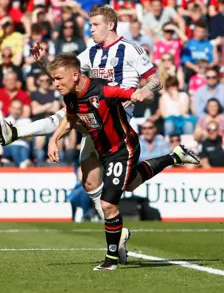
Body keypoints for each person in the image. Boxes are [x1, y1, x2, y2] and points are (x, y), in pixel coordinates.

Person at [0, 5, 162, 222]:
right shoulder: (91, 52)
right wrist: (44, 62)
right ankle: (115, 232)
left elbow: (156, 80)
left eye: (95, 25)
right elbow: (65, 76)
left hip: (117, 116)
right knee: (90, 183)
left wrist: (144, 90)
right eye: (90, 25)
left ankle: (16, 133)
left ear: (110, 25)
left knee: (68, 114)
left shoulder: (130, 49)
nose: (91, 30)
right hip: (94, 114)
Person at [46, 54, 199, 270]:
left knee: (108, 205)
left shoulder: (104, 90)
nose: (56, 84)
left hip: (123, 148)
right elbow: (71, 119)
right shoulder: (70, 97)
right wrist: (54, 139)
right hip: (104, 151)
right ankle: (174, 157)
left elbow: (136, 94)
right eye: (54, 79)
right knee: (130, 183)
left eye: (59, 78)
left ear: (75, 74)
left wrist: (142, 94)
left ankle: (111, 261)